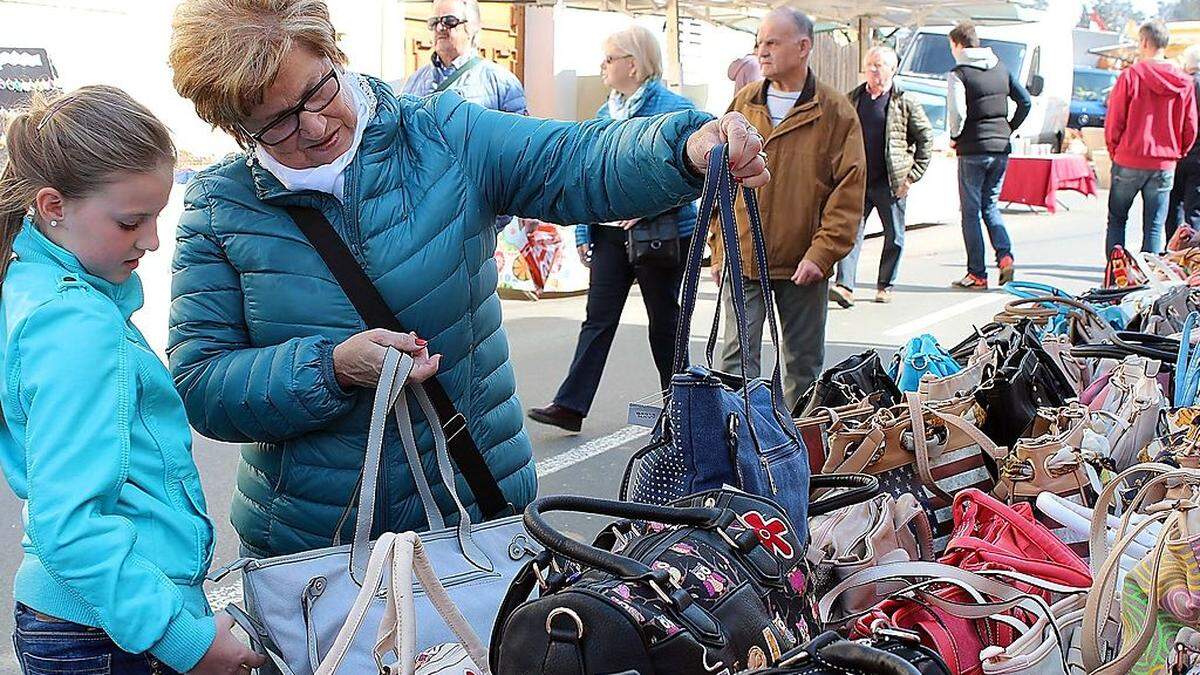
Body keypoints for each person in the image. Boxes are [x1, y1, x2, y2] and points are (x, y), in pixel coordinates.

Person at [167, 0, 767, 558]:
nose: (317, 126)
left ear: (333, 56)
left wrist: (683, 148)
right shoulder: (221, 207)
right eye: (279, 123)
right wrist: (329, 368)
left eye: (319, 91)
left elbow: (572, 161)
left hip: (475, 508)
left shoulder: (440, 135)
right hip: (314, 544)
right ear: (237, 129)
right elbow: (202, 382)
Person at [0, 87, 264, 674]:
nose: (151, 241)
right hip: (109, 630)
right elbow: (69, 524)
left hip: (94, 619)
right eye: (130, 222)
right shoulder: (76, 324)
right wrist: (184, 640)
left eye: (156, 217)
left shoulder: (34, 289)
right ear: (52, 205)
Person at [527, 26, 698, 433]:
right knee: (597, 319)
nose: (601, 67)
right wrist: (584, 234)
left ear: (633, 65)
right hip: (609, 235)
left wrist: (648, 205)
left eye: (609, 59)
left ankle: (683, 410)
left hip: (661, 233)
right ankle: (570, 405)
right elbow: (588, 175)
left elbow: (693, 175)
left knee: (664, 323)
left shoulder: (675, 110)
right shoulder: (605, 114)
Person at [716, 7, 865, 407]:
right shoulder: (743, 102)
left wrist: (822, 253)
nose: (762, 52)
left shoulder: (835, 111)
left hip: (803, 264)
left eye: (772, 43)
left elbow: (848, 193)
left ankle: (797, 456)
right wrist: (718, 248)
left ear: (803, 47)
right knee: (735, 366)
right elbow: (720, 177)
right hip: (744, 256)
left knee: (802, 370)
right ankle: (737, 452)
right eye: (759, 43)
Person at [831, 45, 933, 307]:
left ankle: (885, 284)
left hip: (891, 182)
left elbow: (925, 139)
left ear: (892, 69)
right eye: (870, 65)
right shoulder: (852, 98)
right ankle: (845, 286)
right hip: (858, 180)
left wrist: (911, 177)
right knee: (851, 232)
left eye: (879, 65)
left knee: (895, 236)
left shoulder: (904, 101)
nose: (873, 71)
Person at [946, 20, 1030, 290]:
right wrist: (1009, 128)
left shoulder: (959, 73)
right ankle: (1005, 257)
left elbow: (958, 113)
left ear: (957, 44)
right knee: (990, 206)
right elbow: (1025, 101)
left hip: (972, 149)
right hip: (1000, 148)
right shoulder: (1001, 67)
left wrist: (955, 136)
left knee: (970, 212)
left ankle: (977, 274)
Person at [1105, 20, 1197, 256]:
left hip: (1129, 157)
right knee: (1154, 226)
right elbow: (1190, 126)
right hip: (1164, 161)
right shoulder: (1183, 82)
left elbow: (1114, 119)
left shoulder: (1131, 76)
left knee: (1117, 220)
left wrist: (1115, 150)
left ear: (1145, 42)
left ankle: (1115, 277)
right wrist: (1178, 152)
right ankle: (1147, 283)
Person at [400, 0, 526, 115]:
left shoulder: (502, 82)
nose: (439, 28)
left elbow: (519, 135)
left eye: (449, 21)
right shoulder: (414, 81)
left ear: (472, 27)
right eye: (434, 22)